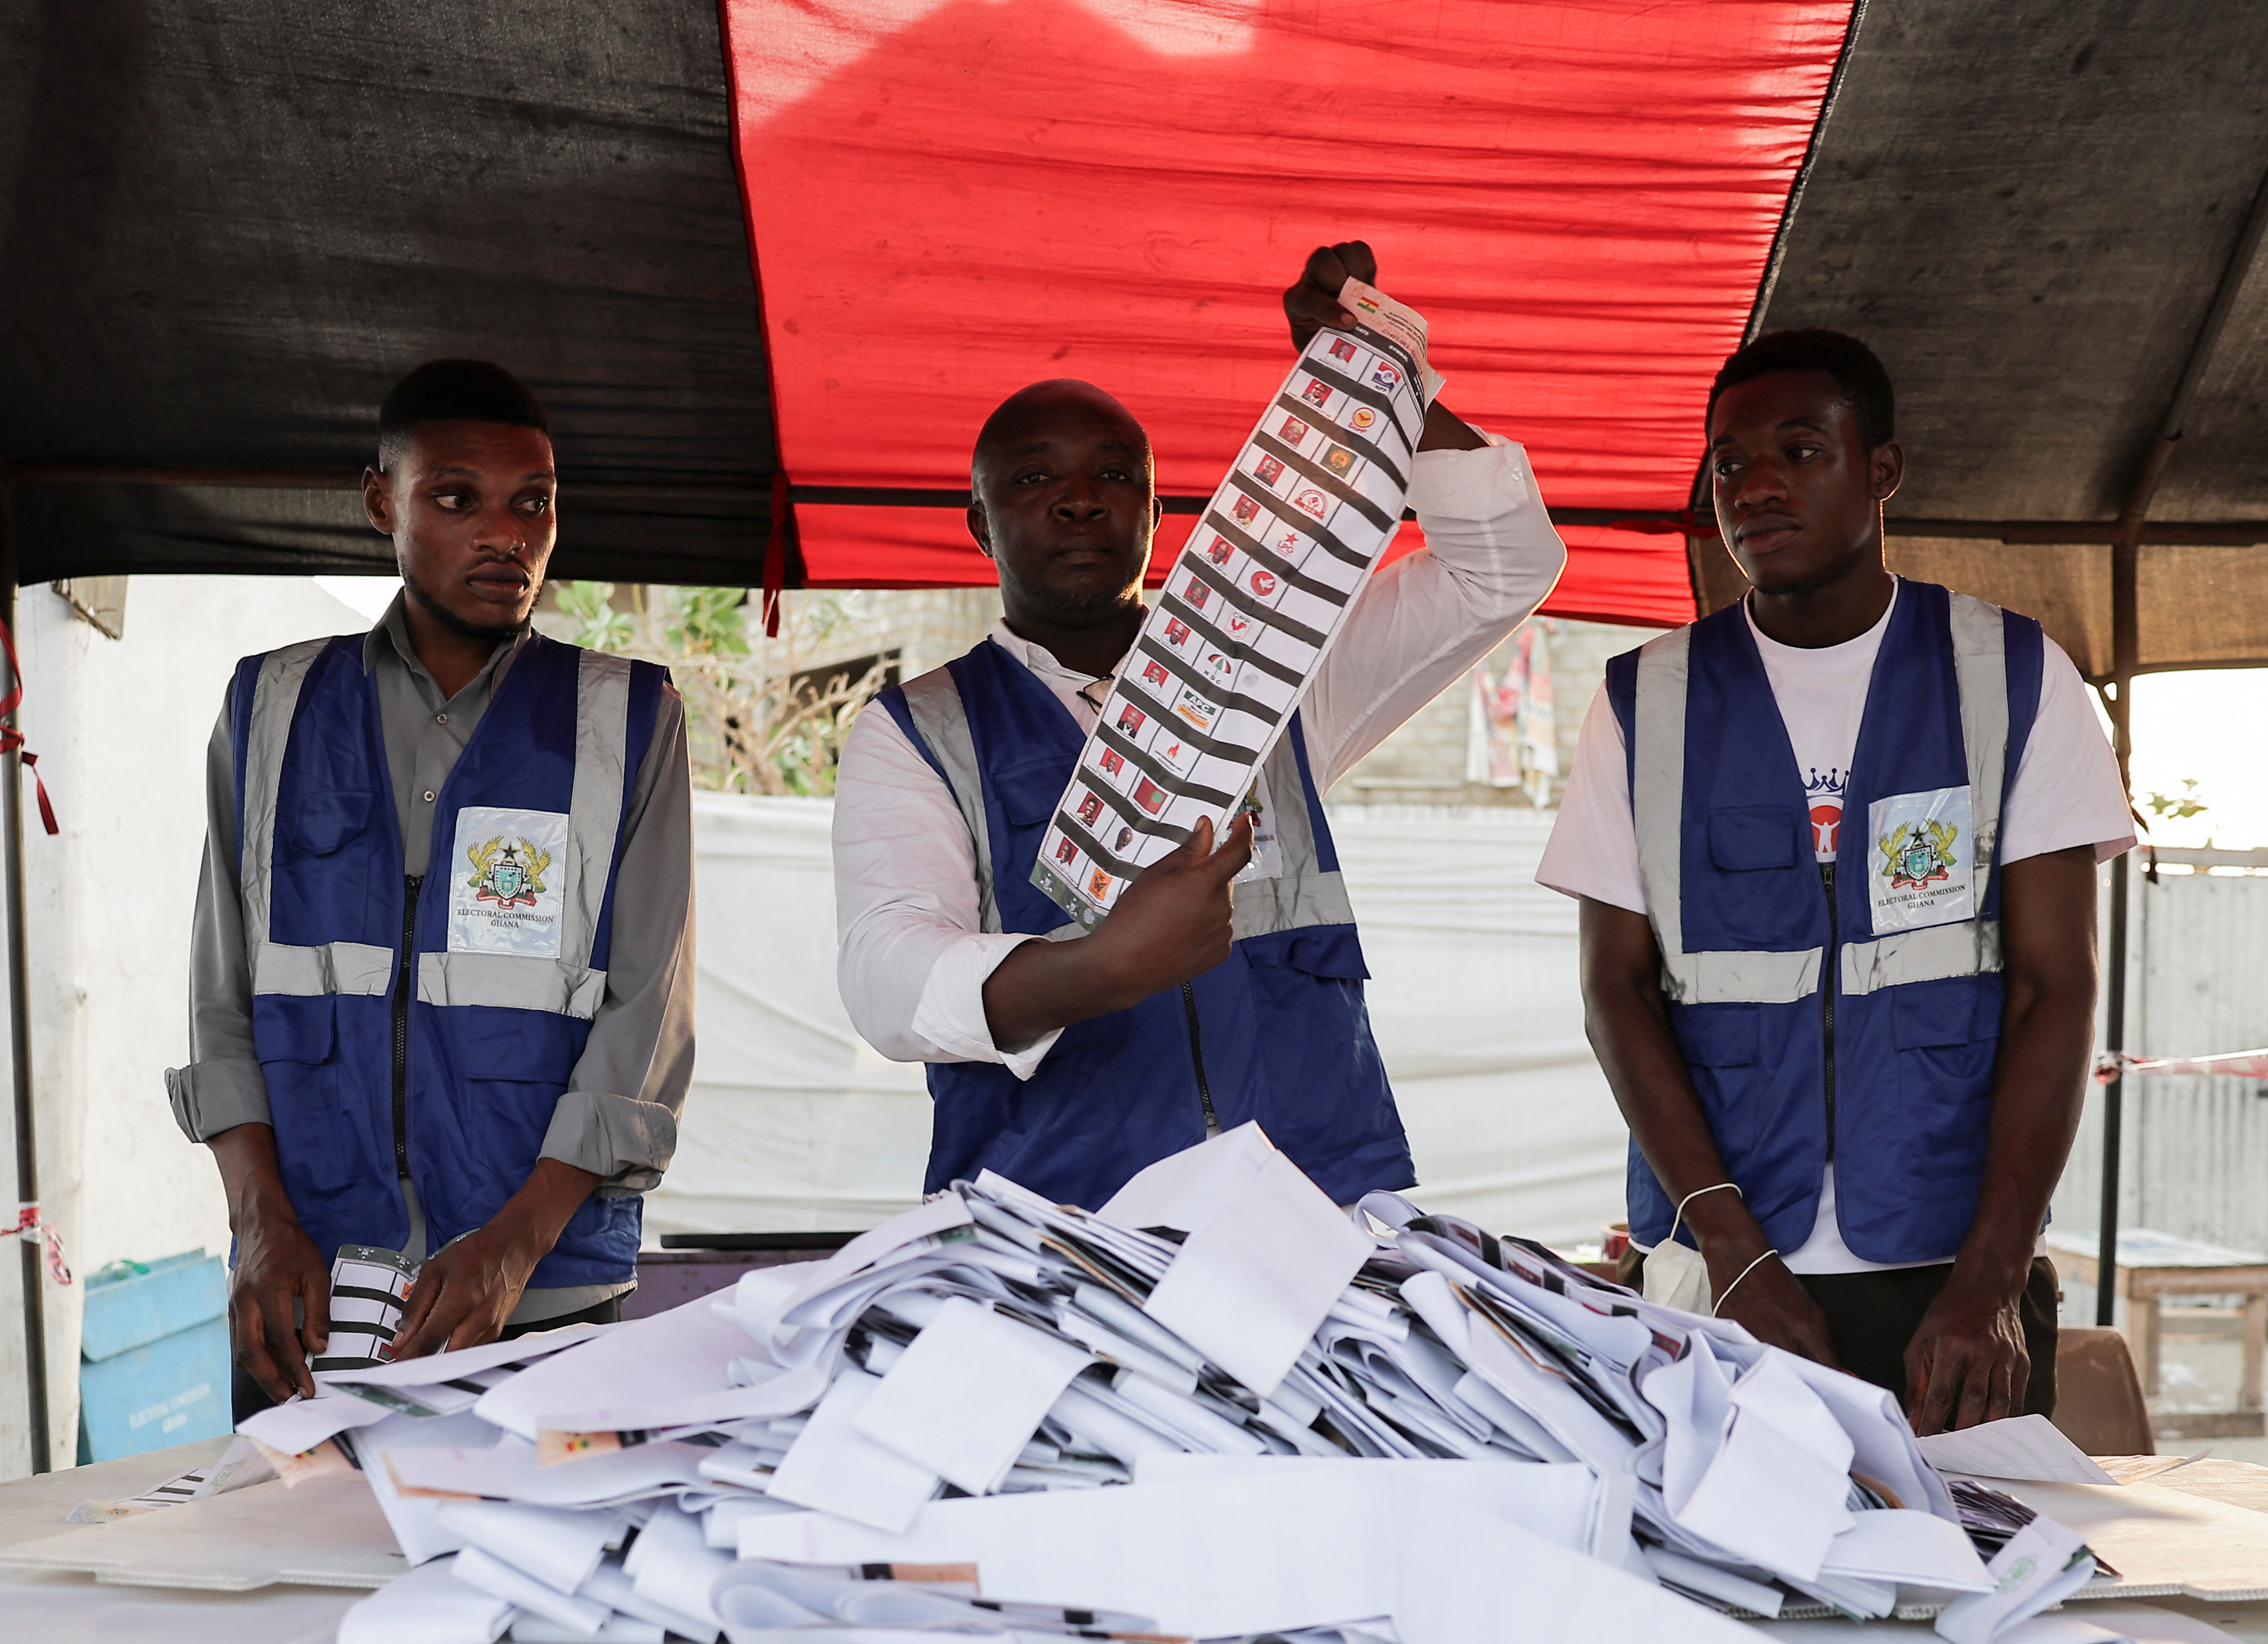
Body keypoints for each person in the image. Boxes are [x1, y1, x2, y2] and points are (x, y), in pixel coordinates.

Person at [834, 244, 1566, 1208]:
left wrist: (1373, 380)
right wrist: (1100, 969)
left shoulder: (1276, 664)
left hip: (1310, 1204)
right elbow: (886, 980)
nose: (1079, 496)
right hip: (1059, 1228)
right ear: (979, 524)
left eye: (1112, 474)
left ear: (1155, 510)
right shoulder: (917, 729)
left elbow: (1502, 571)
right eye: (1030, 479)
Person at [1539, 329, 2132, 1433]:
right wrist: (1727, 1244)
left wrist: (1994, 1277)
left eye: (1801, 451)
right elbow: (1614, 992)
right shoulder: (1643, 703)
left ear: (1883, 471)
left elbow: (2058, 989)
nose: (1755, 485)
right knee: (1721, 1602)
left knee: (1968, 1591)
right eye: (1728, 462)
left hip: (1953, 1286)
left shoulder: (2012, 677)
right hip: (1715, 1276)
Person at [172, 359, 695, 1409]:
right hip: (310, 1288)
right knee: (292, 1571)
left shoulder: (627, 719)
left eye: (533, 502)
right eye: (455, 499)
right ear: (382, 503)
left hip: (541, 1299)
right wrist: (259, 1228)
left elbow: (647, 1020)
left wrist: (513, 1247)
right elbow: (223, 999)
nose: (505, 535)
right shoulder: (271, 705)